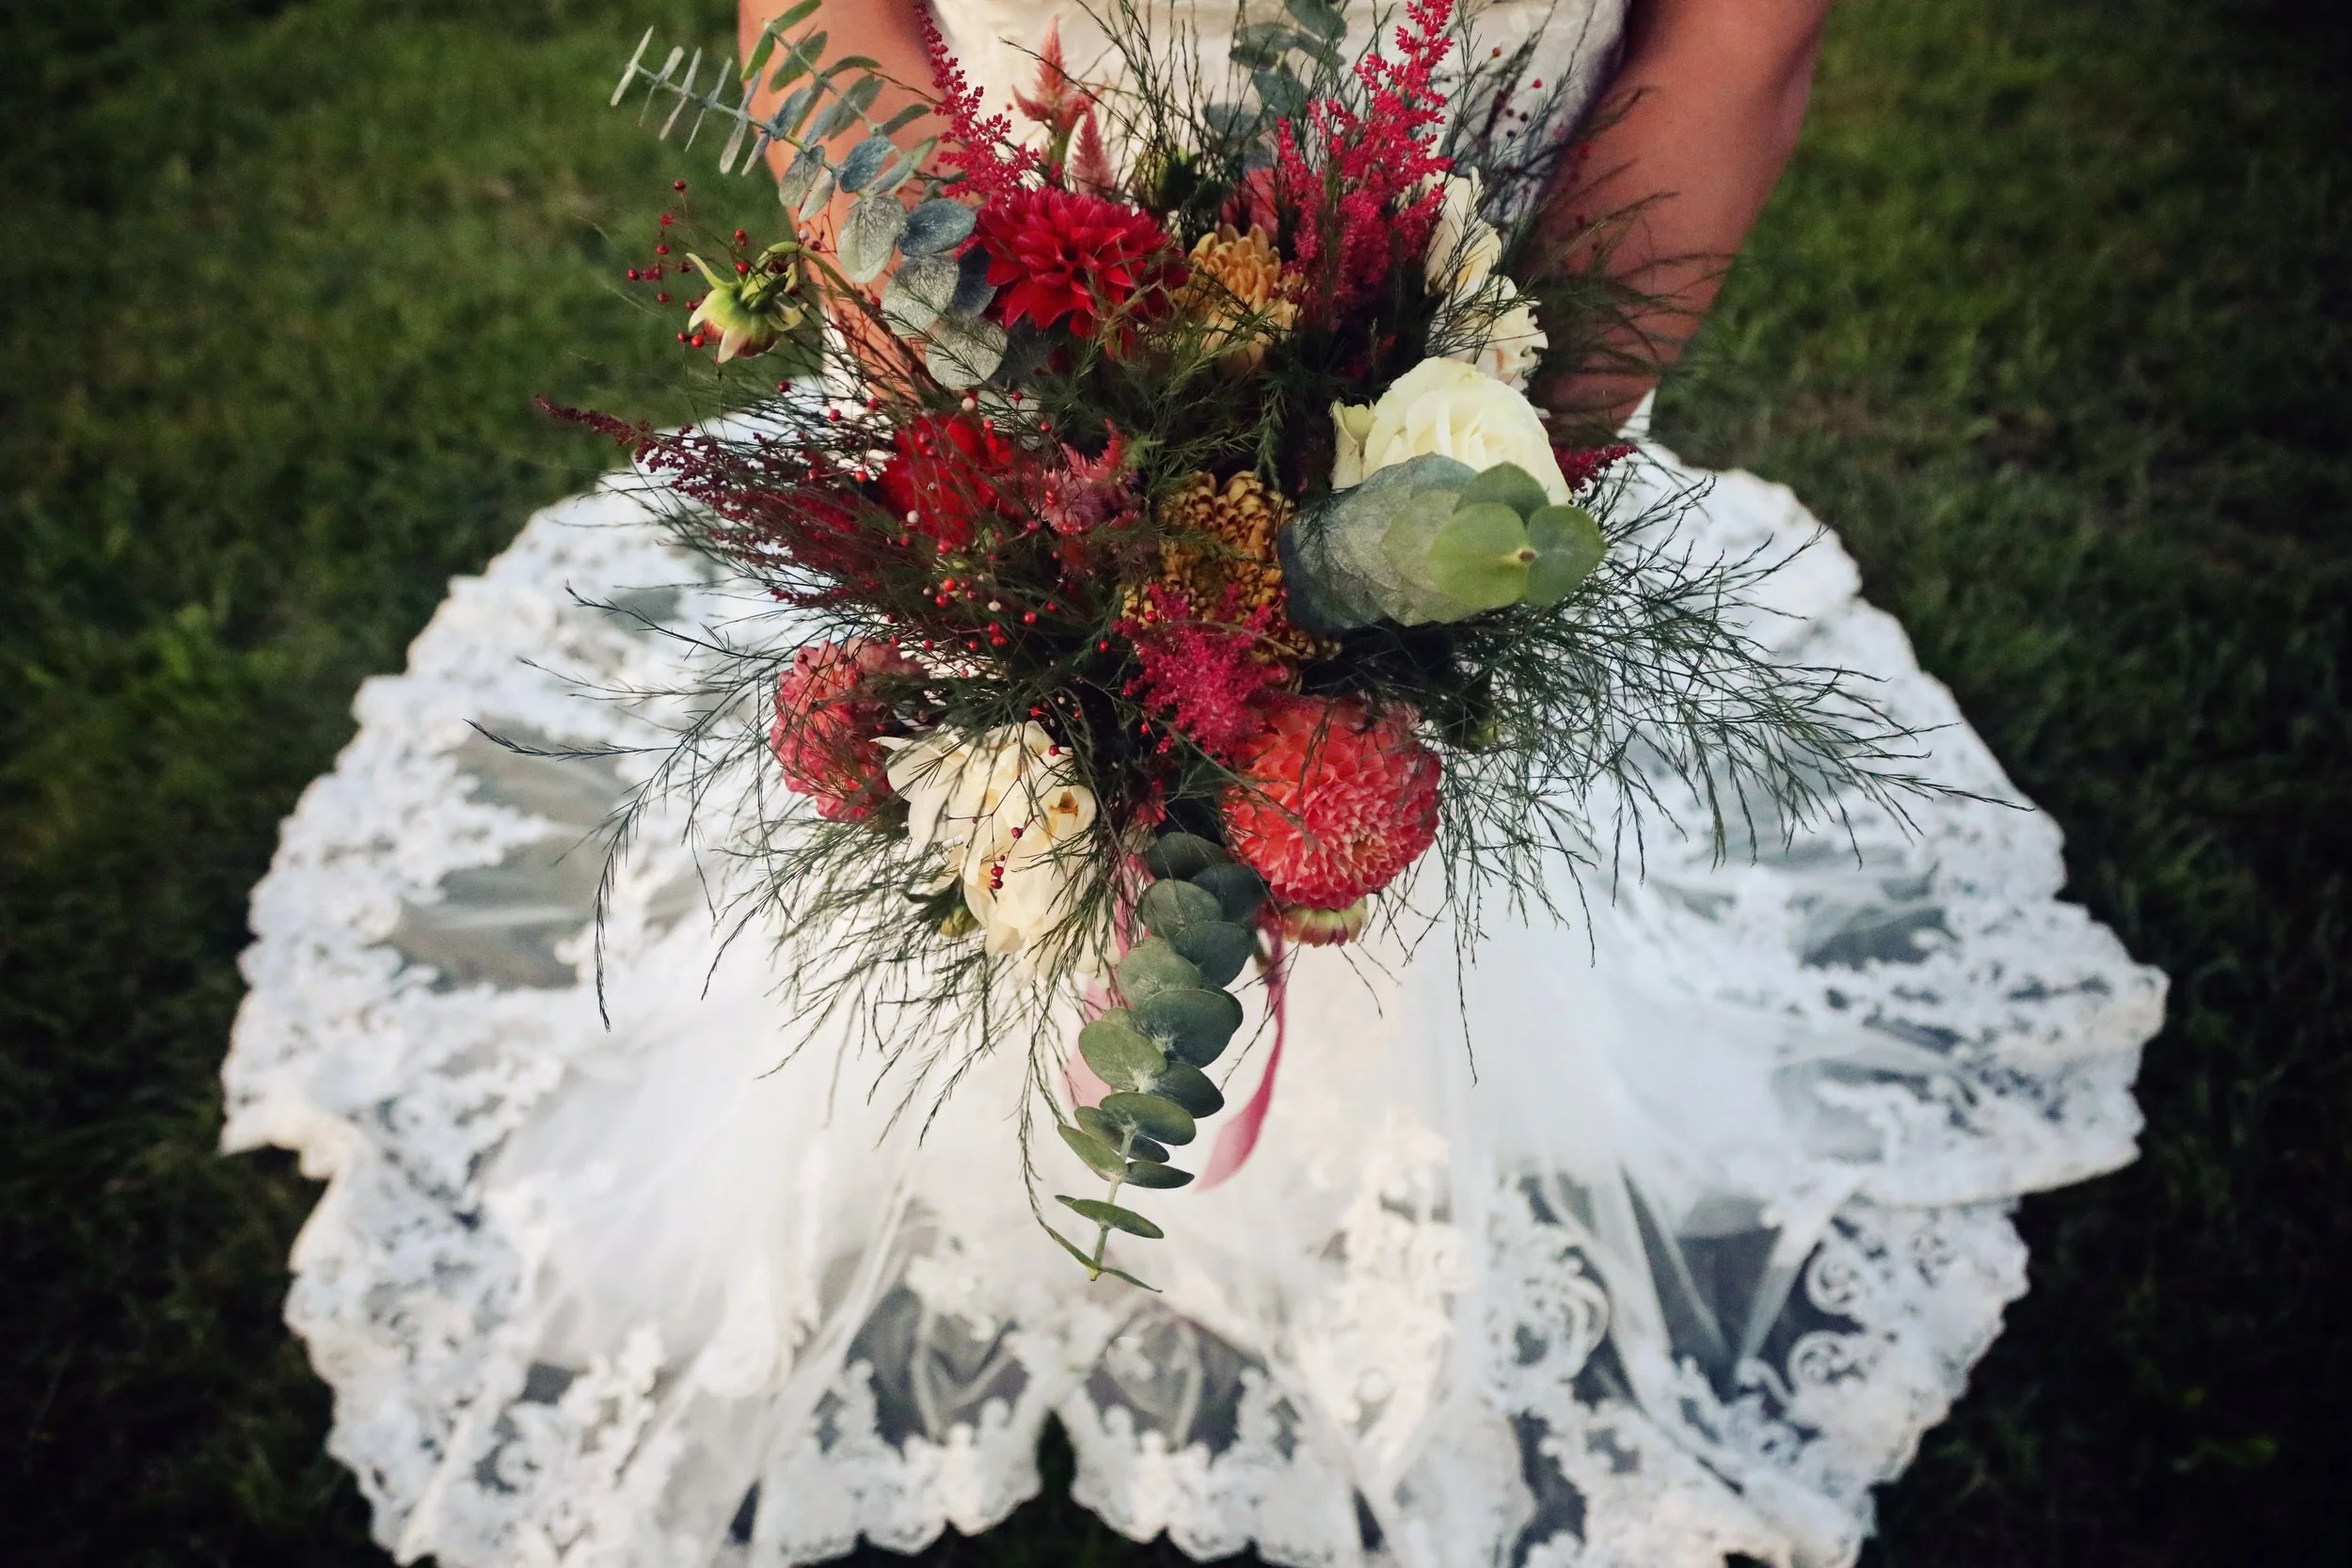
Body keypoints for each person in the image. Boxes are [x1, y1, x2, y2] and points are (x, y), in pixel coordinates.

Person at [224, 3, 2165, 1564]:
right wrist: (980, 473)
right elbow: (826, 25)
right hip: (986, 297)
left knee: (1391, 834)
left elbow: (1736, 39)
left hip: (1455, 301)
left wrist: (1455, 511)